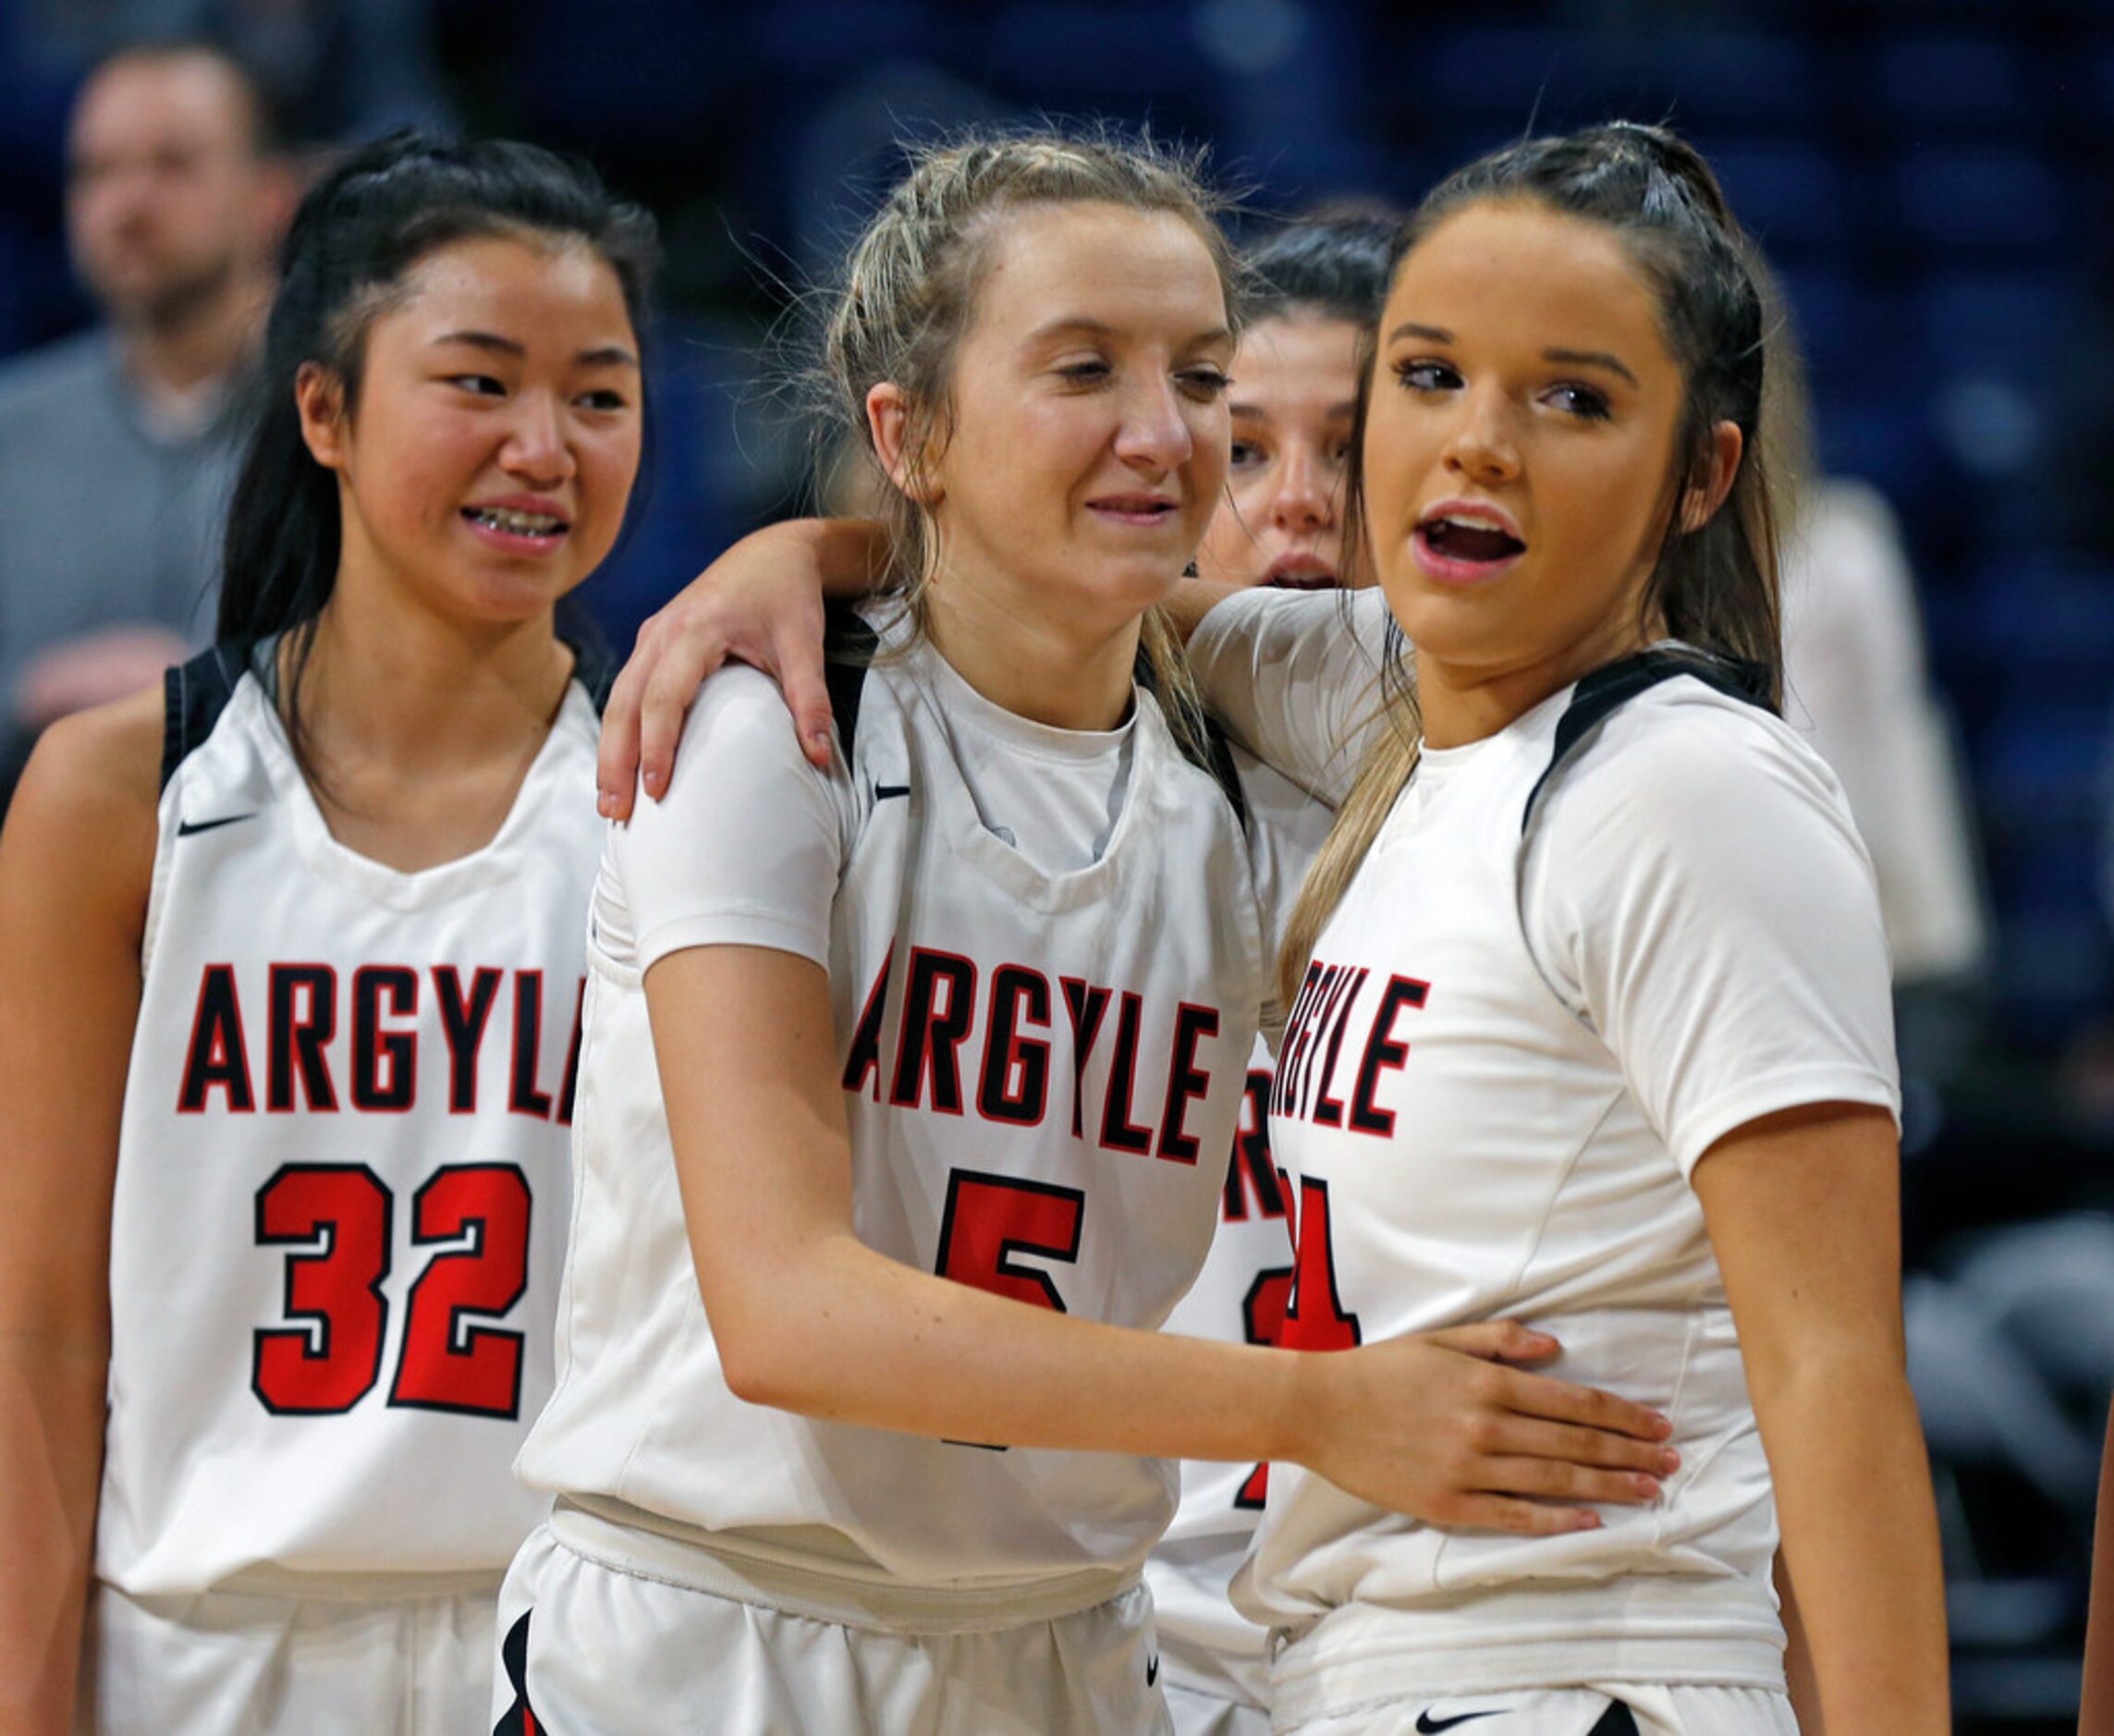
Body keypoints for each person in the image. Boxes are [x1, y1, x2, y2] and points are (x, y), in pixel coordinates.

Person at [596, 121, 1949, 1736]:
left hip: (1512, 1654)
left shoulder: (1633, 769)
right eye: (1432, 378)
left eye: (1572, 398)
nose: (1477, 446)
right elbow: (1038, 574)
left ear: (1698, 467)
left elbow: (1830, 1376)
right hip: (1177, 1648)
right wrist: (807, 553)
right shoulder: (1358, 700)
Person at [0, 131, 655, 1733]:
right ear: (324, 413)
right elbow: (37, 1314)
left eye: (598, 394)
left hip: (569, 1655)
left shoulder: (680, 781)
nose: (544, 448)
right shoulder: (123, 786)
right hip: (199, 1649)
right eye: (480, 383)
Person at [1146, 210, 1393, 1736]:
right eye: (1242, 451)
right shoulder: (1059, 790)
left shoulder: (1540, 789)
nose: (1297, 507)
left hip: (1418, 1618)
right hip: (1129, 1618)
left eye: (1349, 452)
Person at [0, 41, 297, 805]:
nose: (127, 204)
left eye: (174, 165)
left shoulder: (343, 426)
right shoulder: (11, 428)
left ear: (270, 197)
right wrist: (24, 699)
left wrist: (208, 689)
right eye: (96, 173)